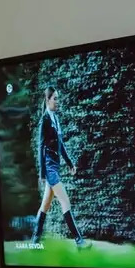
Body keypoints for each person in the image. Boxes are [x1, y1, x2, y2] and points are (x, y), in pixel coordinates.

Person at [32, 86, 87, 247]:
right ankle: (79, 241)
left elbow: (61, 145)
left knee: (45, 205)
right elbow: (41, 147)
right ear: (47, 100)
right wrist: (42, 174)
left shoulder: (55, 118)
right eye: (55, 98)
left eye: (58, 98)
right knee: (65, 201)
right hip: (50, 167)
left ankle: (34, 241)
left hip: (55, 166)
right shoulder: (45, 120)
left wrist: (70, 163)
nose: (57, 101)